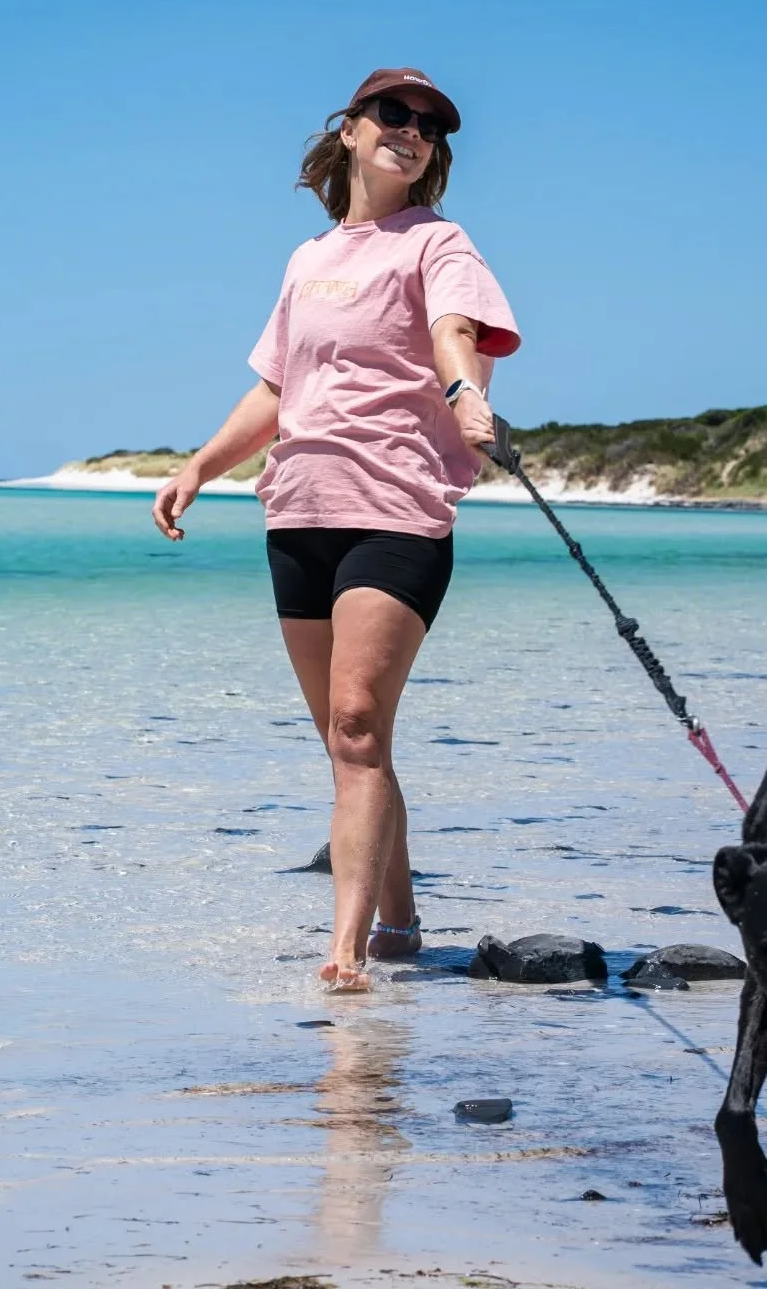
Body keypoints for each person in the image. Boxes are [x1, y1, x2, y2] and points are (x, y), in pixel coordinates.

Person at [152, 67, 520, 991]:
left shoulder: (440, 242)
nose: (412, 130)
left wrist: (466, 395)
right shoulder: (307, 260)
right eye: (392, 114)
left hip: (395, 508)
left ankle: (345, 951)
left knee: (358, 725)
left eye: (430, 126)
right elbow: (278, 387)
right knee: (348, 743)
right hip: (298, 509)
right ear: (350, 131)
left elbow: (452, 331)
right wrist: (200, 465)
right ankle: (399, 921)